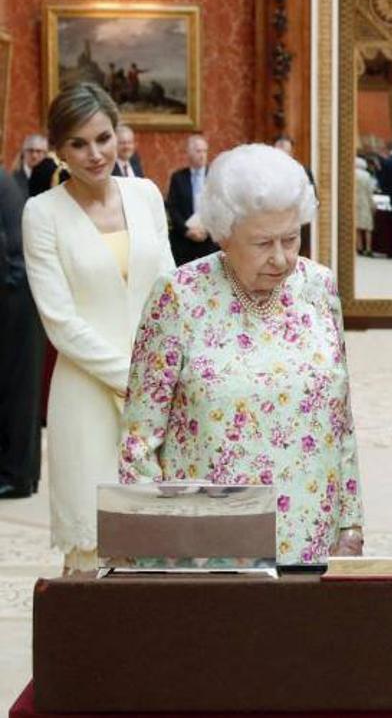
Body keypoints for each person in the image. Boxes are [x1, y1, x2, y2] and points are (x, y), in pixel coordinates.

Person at [119, 144, 364, 566]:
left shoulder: (318, 287)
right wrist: (153, 554)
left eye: (291, 238)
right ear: (224, 234)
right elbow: (139, 441)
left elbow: (340, 420)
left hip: (311, 536)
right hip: (207, 549)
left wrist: (350, 524)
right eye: (263, 243)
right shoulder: (179, 296)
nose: (282, 258)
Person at [21, 83, 174, 573]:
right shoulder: (42, 212)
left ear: (118, 132)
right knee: (93, 543)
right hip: (85, 390)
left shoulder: (145, 194)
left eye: (103, 138)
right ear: (59, 150)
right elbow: (60, 322)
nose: (95, 154)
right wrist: (135, 378)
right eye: (79, 144)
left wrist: (165, 374)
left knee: (160, 536)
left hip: (159, 388)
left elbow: (171, 292)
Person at [0, 169, 44, 499]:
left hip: (15, 293)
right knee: (18, 389)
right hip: (17, 290)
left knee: (15, 391)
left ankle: (15, 476)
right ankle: (22, 474)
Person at [166, 134, 218, 266]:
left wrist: (207, 230)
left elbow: (220, 206)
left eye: (205, 151)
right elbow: (173, 208)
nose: (202, 155)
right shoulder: (178, 178)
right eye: (198, 151)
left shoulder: (215, 175)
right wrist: (187, 231)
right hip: (184, 240)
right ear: (189, 154)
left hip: (210, 240)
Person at [354, 156, 377, 256]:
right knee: (368, 227)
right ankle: (368, 248)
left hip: (355, 202)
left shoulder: (353, 174)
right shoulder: (367, 176)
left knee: (357, 226)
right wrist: (372, 204)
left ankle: (359, 247)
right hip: (365, 202)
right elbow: (369, 191)